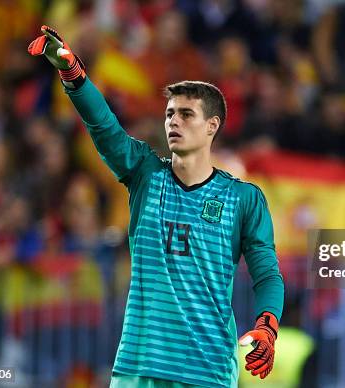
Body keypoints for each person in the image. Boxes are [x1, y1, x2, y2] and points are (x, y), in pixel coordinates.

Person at [28, 25, 284, 388]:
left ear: (212, 125)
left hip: (206, 371)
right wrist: (74, 76)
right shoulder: (146, 176)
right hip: (138, 368)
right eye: (169, 114)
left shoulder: (243, 199)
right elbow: (104, 128)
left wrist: (267, 326)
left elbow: (267, 274)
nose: (173, 122)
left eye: (186, 114)